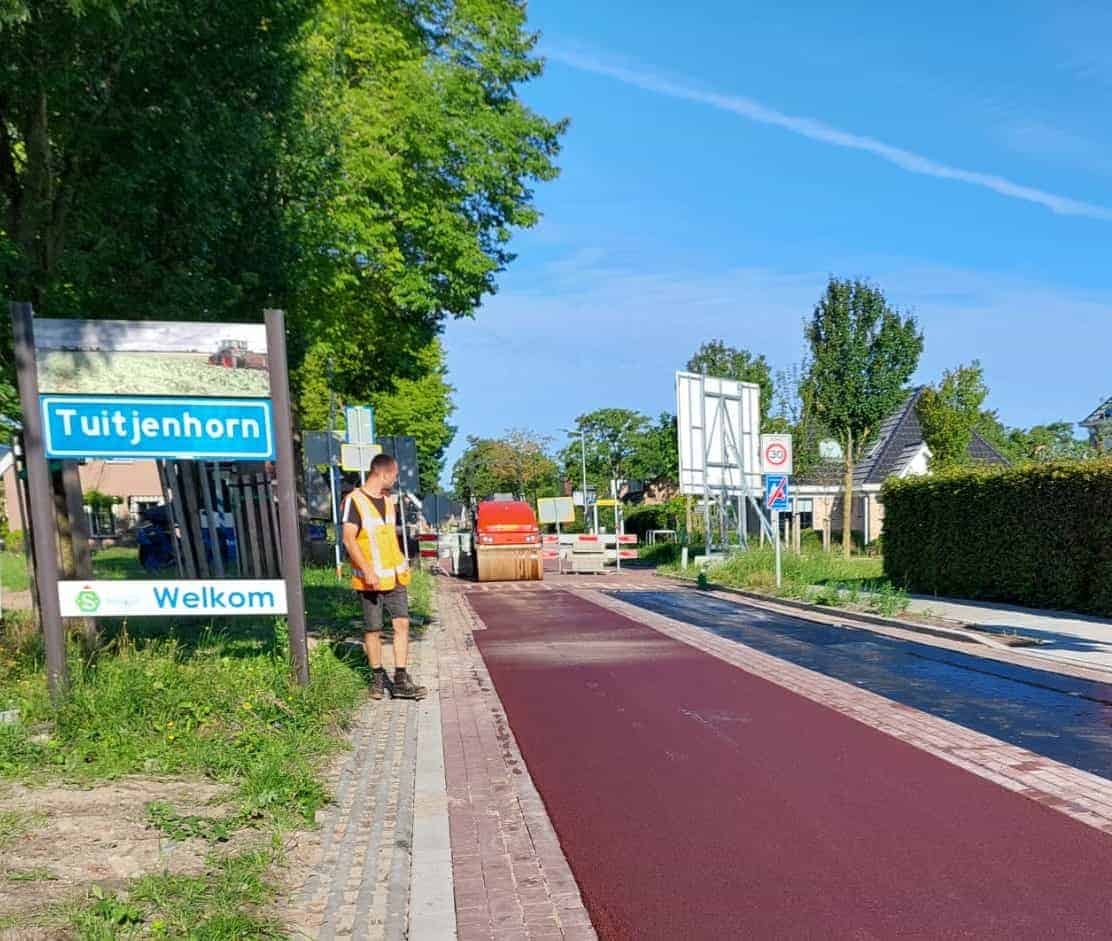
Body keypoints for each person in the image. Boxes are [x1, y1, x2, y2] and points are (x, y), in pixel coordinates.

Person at [341, 454, 426, 701]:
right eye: (395, 474)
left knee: (402, 623)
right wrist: (367, 569)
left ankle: (400, 678)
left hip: (395, 575)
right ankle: (377, 678)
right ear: (383, 474)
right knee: (373, 628)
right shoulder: (354, 501)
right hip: (371, 579)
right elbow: (348, 539)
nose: (396, 478)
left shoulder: (389, 501)